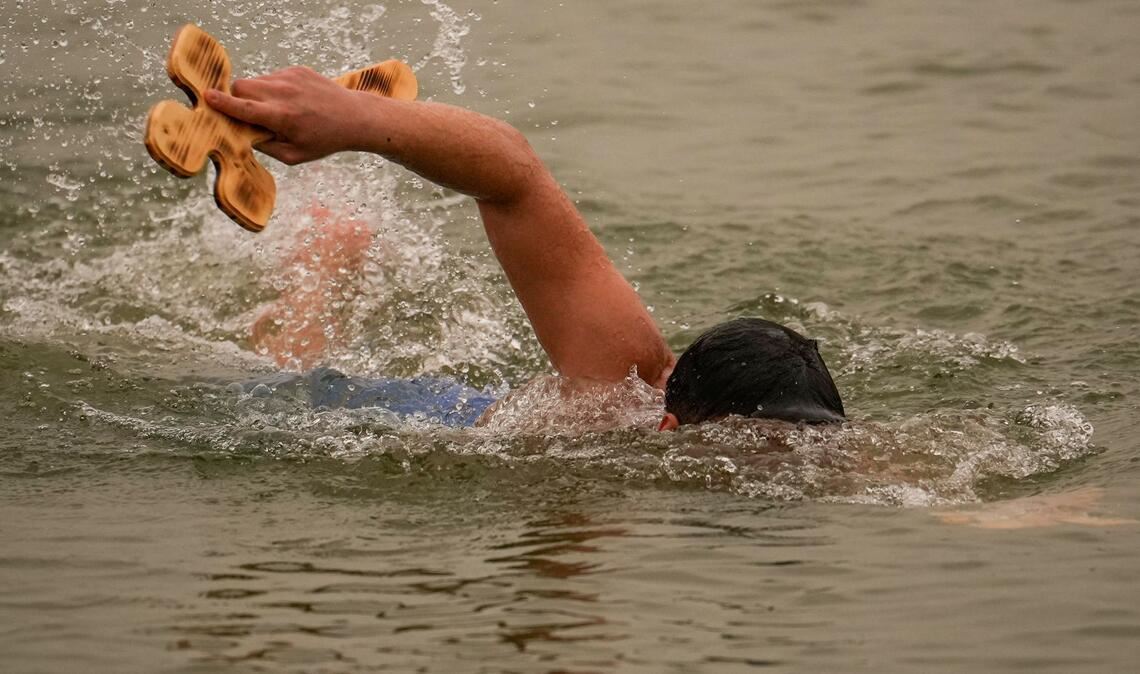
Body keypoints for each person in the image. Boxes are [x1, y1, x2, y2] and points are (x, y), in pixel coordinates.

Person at [205, 66, 846, 430]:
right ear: (669, 426)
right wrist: (359, 120)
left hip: (500, 407)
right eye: (756, 453)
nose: (789, 469)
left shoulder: (825, 440)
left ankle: (333, 248)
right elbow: (513, 176)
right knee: (281, 387)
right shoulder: (618, 379)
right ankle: (323, 261)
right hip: (430, 418)